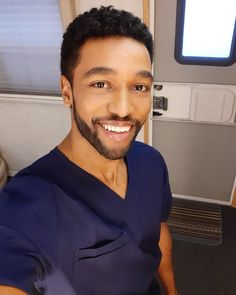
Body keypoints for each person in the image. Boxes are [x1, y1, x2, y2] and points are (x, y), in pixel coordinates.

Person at [0, 6, 178, 295]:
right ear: (67, 91)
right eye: (101, 84)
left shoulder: (152, 163)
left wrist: (172, 291)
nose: (123, 109)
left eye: (139, 86)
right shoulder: (22, 210)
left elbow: (156, 235)